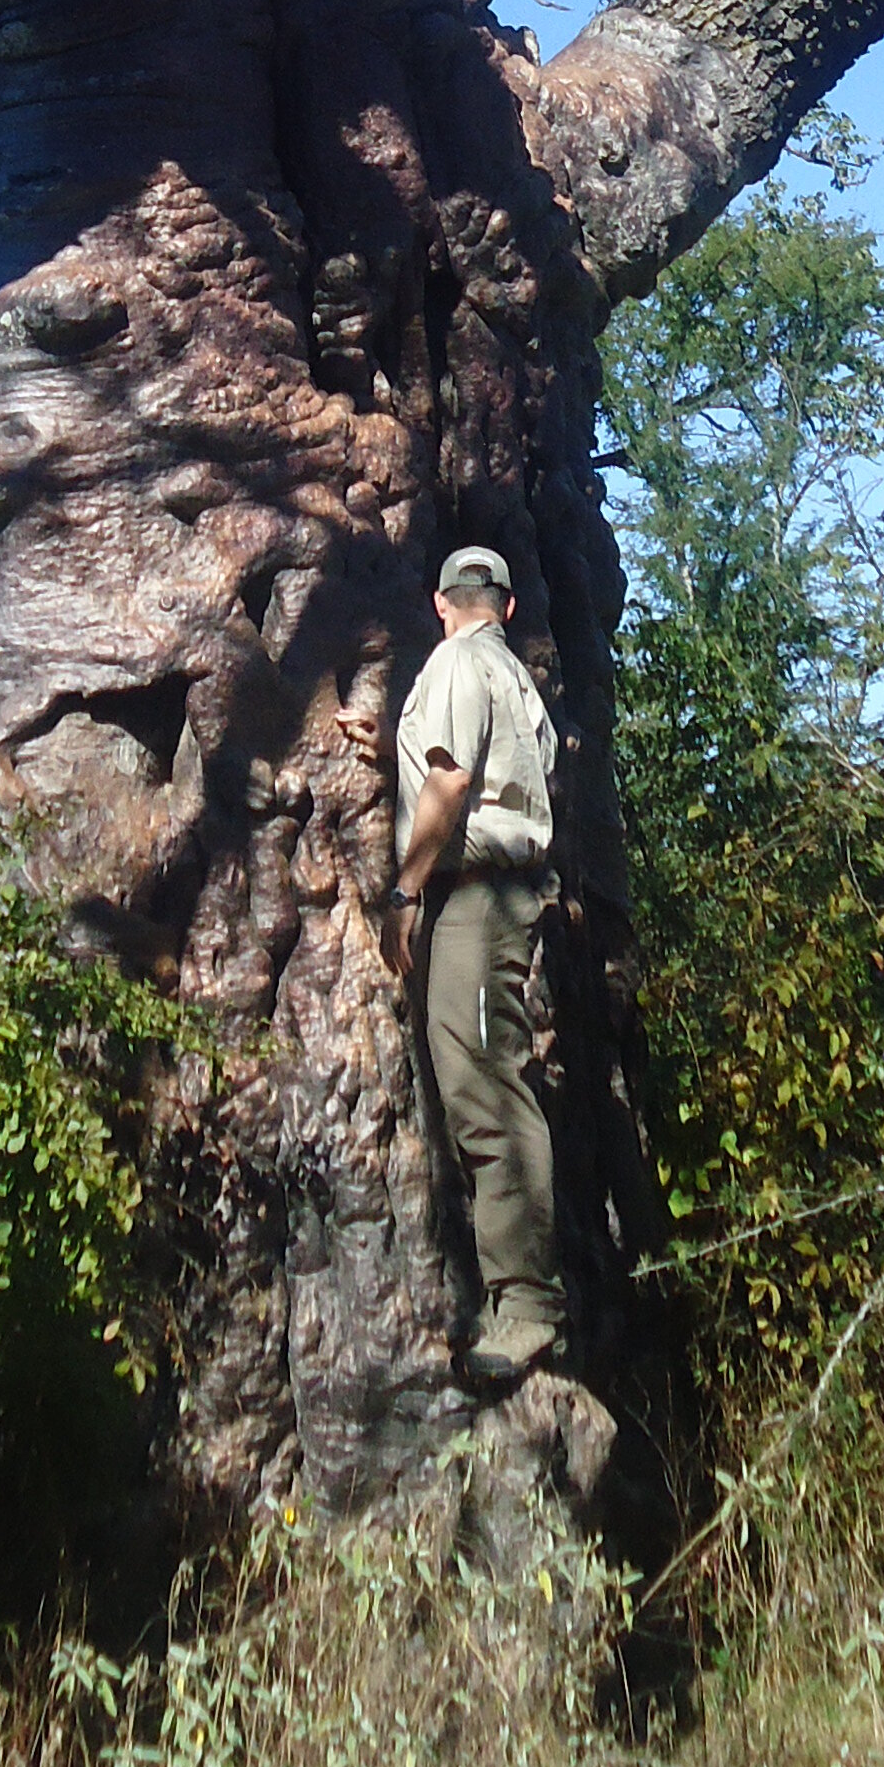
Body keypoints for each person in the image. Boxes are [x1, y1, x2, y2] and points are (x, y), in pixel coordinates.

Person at [377, 542, 564, 1388]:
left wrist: (406, 892)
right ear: (509, 609)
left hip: (477, 901)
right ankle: (511, 1292)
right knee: (483, 1079)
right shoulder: (516, 683)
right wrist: (392, 743)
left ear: (439, 603)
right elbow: (474, 770)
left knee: (488, 1087)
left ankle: (526, 1307)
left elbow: (452, 790)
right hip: (505, 893)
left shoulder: (454, 662)